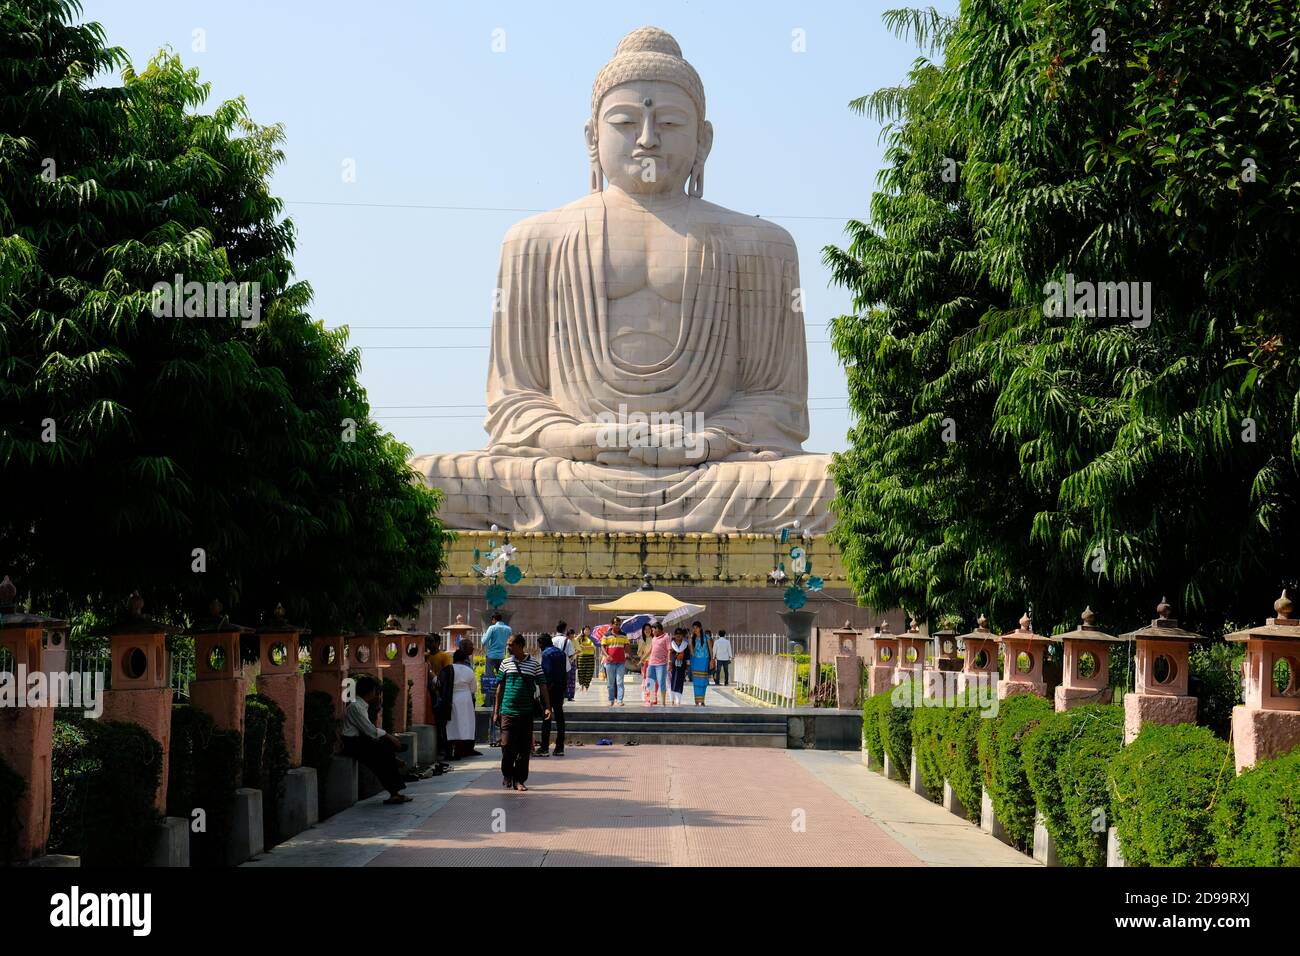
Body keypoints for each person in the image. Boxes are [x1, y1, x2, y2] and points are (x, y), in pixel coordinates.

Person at [341, 675, 412, 804]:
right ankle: (395, 790)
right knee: (384, 756)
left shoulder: (361, 705)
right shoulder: (356, 707)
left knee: (386, 752)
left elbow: (369, 731)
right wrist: (390, 737)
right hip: (353, 743)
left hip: (360, 740)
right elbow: (370, 730)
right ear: (371, 691)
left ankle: (395, 790)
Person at [493, 634, 550, 791]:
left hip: (526, 713)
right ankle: (507, 774)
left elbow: (543, 685)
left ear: (520, 645)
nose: (508, 647)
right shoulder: (505, 663)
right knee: (506, 745)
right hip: (507, 711)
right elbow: (499, 689)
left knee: (524, 749)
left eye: (511, 644)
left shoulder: (534, 665)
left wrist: (547, 707)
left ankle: (520, 780)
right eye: (508, 644)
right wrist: (496, 711)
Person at [446, 645, 481, 758]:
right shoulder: (469, 671)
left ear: (454, 658)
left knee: (451, 724)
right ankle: (459, 752)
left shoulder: (448, 669)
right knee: (463, 725)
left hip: (451, 698)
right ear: (465, 659)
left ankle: (449, 751)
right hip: (465, 699)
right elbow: (474, 688)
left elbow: (439, 682)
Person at [538, 634, 567, 756]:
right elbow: (565, 671)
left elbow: (547, 672)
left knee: (547, 715)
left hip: (550, 689)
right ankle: (559, 747)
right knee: (559, 717)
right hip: (560, 687)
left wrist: (545, 688)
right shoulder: (561, 653)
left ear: (542, 643)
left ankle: (544, 747)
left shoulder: (546, 654)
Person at [601, 616, 628, 706]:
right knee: (610, 683)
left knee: (620, 682)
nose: (617, 626)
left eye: (619, 624)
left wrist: (627, 653)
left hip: (621, 662)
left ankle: (619, 700)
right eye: (616, 624)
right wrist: (607, 655)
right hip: (610, 663)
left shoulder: (624, 635)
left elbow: (626, 646)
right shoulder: (606, 635)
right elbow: (602, 647)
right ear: (611, 625)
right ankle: (611, 699)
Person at [643, 623, 670, 707]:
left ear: (658, 629)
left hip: (661, 664)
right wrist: (642, 658)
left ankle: (663, 702)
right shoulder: (654, 638)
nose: (652, 631)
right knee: (650, 682)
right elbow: (651, 650)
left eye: (653, 630)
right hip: (651, 664)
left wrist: (669, 662)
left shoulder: (666, 637)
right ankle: (651, 700)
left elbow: (669, 650)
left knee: (661, 682)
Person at [552, 620, 578, 702]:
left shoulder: (552, 640)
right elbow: (571, 655)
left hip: (554, 666)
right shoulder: (567, 641)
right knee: (563, 684)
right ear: (564, 630)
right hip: (565, 666)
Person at [690, 621, 713, 705]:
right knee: (696, 682)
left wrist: (712, 660)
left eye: (696, 627)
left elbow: (710, 649)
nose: (695, 629)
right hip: (696, 661)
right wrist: (690, 643)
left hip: (704, 661)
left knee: (703, 681)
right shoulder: (693, 638)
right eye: (693, 628)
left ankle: (702, 700)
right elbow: (692, 653)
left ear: (700, 628)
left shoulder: (707, 637)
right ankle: (696, 700)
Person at [482, 612, 511, 677]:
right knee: (501, 678)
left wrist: (484, 635)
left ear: (494, 619)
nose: (492, 622)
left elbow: (484, 642)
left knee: (489, 678)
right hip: (501, 656)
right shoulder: (508, 629)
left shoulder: (492, 628)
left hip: (491, 656)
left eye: (492, 620)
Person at [668, 628, 690, 706]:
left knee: (680, 681)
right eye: (677, 634)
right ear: (674, 635)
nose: (678, 636)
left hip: (682, 666)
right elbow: (670, 654)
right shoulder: (671, 644)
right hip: (673, 666)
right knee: (672, 681)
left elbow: (687, 656)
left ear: (682, 636)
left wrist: (687, 666)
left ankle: (678, 698)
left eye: (680, 634)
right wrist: (675, 656)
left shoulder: (685, 645)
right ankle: (672, 698)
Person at [576, 626, 597, 690]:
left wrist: (584, 647)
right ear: (583, 631)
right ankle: (581, 685)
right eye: (586, 630)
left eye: (588, 630)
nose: (587, 631)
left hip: (590, 656)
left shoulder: (592, 638)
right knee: (581, 671)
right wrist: (579, 635)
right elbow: (574, 641)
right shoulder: (580, 638)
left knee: (589, 672)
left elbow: (593, 647)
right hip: (581, 656)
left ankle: (586, 685)